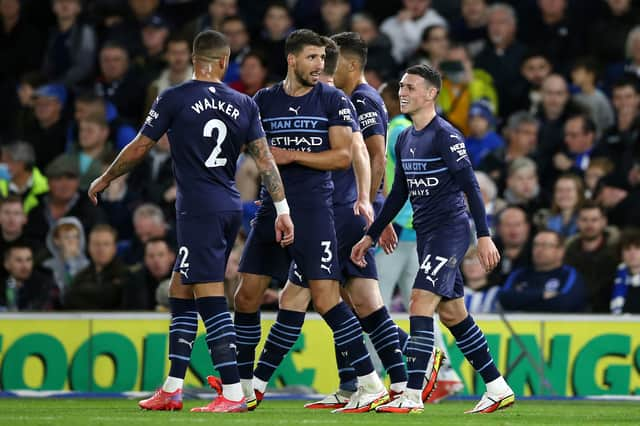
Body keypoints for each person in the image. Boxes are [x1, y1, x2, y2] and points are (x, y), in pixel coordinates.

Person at [88, 29, 293, 413]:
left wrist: (106, 177)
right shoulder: (244, 103)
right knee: (181, 288)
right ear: (223, 62)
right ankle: (172, 387)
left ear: (195, 60)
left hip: (198, 208)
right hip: (230, 205)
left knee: (207, 292)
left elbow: (140, 147)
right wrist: (283, 210)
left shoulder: (174, 97)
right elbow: (265, 161)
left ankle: (232, 391)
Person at [247, 33, 409, 412]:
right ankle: (369, 384)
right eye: (314, 58)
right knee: (351, 301)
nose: (320, 67)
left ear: (345, 64)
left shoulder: (359, 100)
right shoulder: (340, 99)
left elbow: (371, 154)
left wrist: (373, 204)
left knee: (320, 299)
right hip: (337, 209)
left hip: (338, 212)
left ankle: (396, 376)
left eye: (324, 59)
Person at [351, 64, 514, 414]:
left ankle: (411, 395)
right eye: (402, 87)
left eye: (411, 87)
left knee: (419, 302)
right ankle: (498, 386)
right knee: (454, 313)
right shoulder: (404, 137)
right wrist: (372, 233)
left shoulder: (446, 135)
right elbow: (398, 193)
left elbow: (471, 185)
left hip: (450, 230)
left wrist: (484, 236)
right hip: (426, 234)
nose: (403, 93)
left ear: (431, 93)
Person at [498, 230, 587, 312]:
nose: (539, 249)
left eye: (545, 245)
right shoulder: (519, 274)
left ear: (560, 251)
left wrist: (522, 298)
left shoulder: (569, 274)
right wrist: (542, 295)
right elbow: (504, 299)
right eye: (536, 245)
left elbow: (564, 303)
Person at [610, 227, 640, 314]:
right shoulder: (611, 281)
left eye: (637, 248)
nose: (632, 253)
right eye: (627, 249)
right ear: (621, 253)